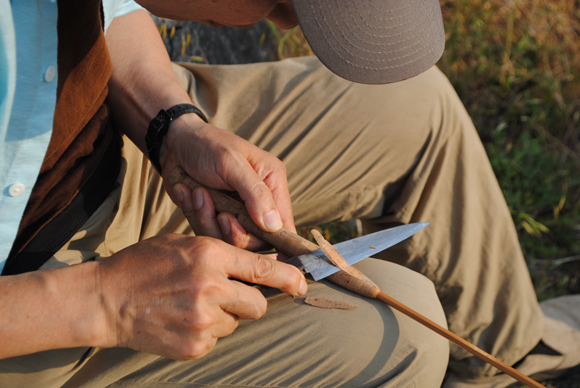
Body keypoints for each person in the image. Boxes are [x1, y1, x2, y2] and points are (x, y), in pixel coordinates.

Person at [0, 0, 578, 387]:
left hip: (105, 152)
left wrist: (173, 126)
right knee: (399, 334)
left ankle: (508, 362)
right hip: (41, 307)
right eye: (281, 0)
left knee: (416, 107)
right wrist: (105, 301)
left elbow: (108, 9)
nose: (282, 23)